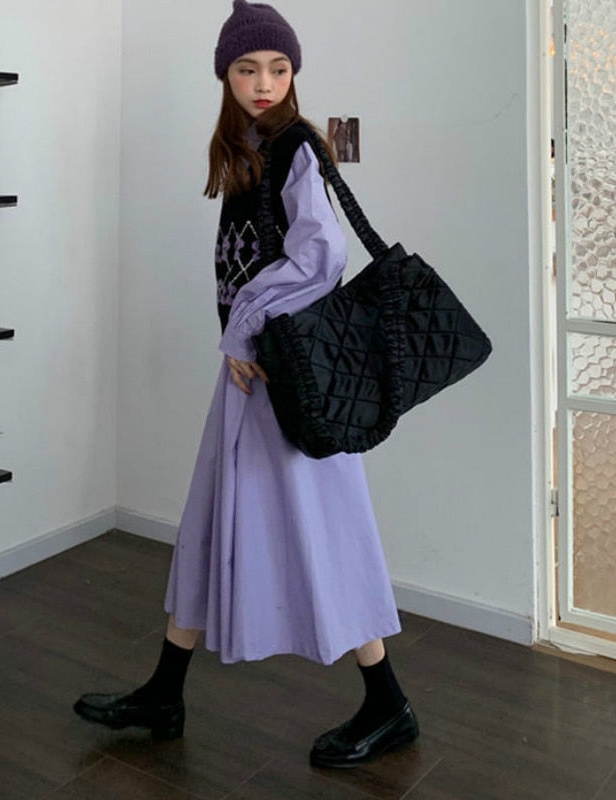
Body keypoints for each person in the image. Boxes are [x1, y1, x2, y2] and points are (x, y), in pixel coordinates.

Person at [73, 0, 418, 768]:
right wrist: (242, 337)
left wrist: (244, 327)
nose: (264, 83)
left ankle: (389, 703)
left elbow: (322, 255)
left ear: (294, 73)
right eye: (247, 69)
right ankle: (166, 689)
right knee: (209, 524)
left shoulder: (295, 146)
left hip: (287, 380)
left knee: (327, 532)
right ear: (225, 76)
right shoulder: (249, 149)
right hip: (254, 375)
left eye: (279, 68)